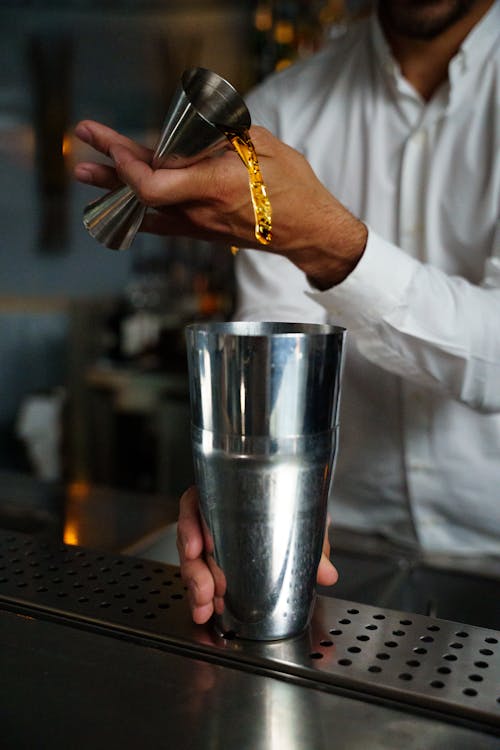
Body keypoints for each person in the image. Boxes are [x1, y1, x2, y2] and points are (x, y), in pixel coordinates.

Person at [74, 0, 500, 625]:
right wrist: (242, 492)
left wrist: (327, 243)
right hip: (333, 553)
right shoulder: (282, 111)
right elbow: (273, 359)